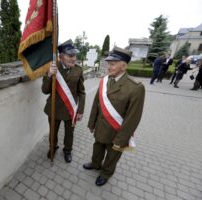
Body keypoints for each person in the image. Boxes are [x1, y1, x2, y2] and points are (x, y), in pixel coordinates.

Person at [83, 47, 145, 186]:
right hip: (100, 126)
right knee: (97, 147)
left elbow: (133, 117)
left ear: (123, 66)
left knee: (112, 155)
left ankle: (105, 173)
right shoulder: (105, 80)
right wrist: (91, 123)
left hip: (116, 131)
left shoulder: (135, 87)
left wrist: (122, 139)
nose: (108, 67)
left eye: (112, 64)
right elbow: (96, 104)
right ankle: (95, 164)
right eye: (108, 63)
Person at [42, 39, 86, 163]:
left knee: (69, 133)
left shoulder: (78, 70)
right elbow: (45, 90)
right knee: (53, 132)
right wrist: (50, 75)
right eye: (70, 55)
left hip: (70, 109)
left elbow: (81, 92)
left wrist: (81, 110)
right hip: (54, 108)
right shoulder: (52, 68)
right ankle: (53, 148)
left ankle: (67, 151)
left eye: (74, 55)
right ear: (61, 56)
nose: (73, 58)